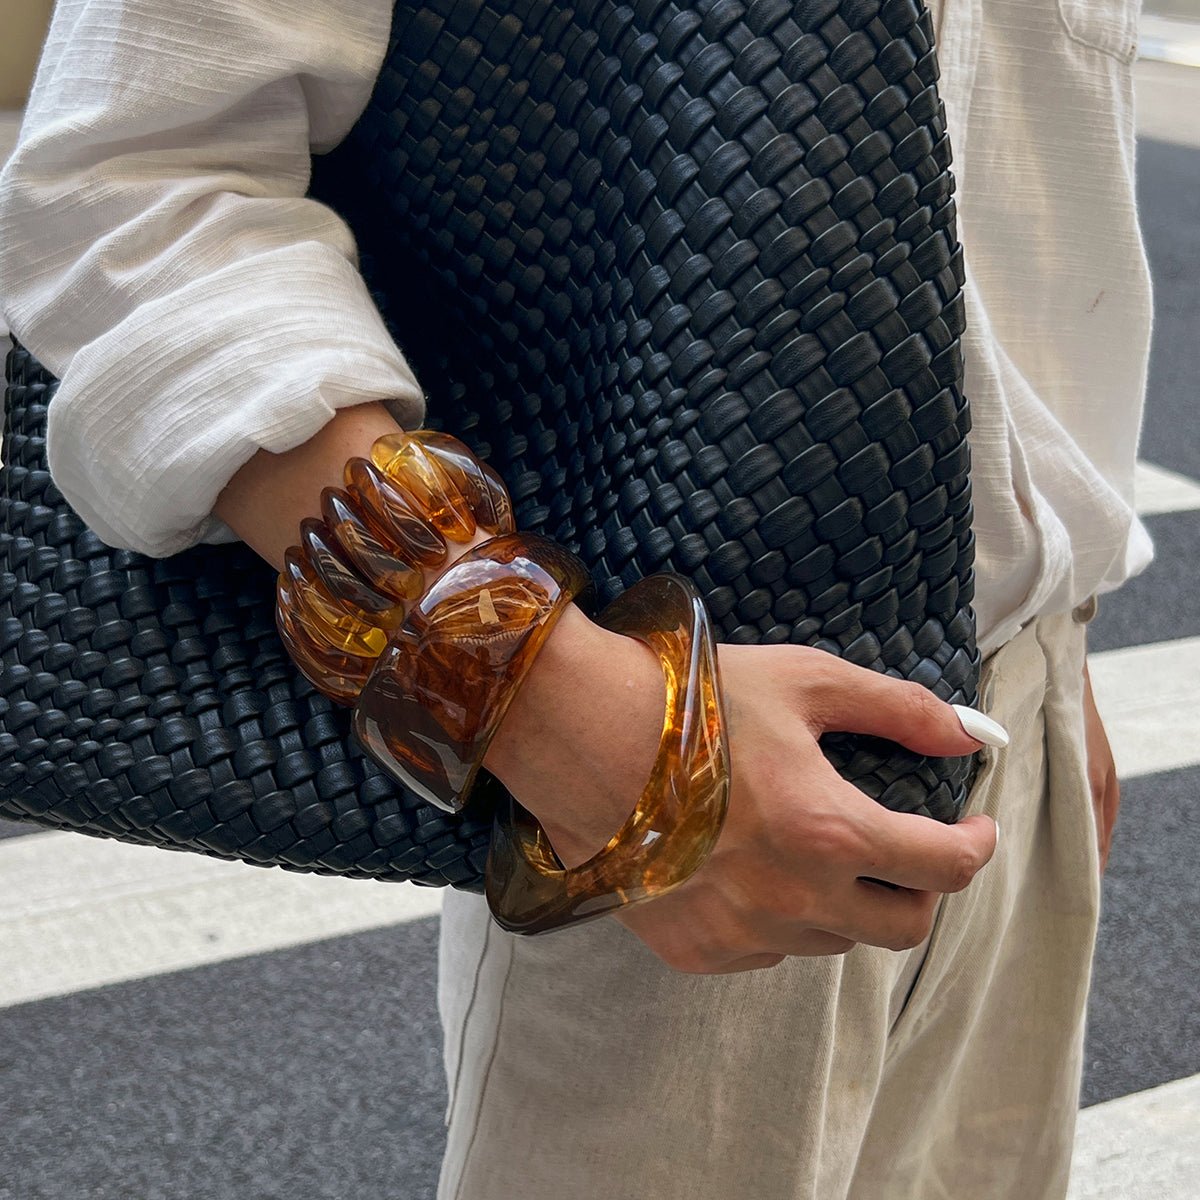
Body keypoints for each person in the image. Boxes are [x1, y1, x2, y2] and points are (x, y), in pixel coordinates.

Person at [0, 0, 1149, 1195]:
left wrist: (1069, 638)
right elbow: (130, 190)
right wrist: (579, 727)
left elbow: (1040, 217)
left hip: (1019, 734)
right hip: (667, 766)